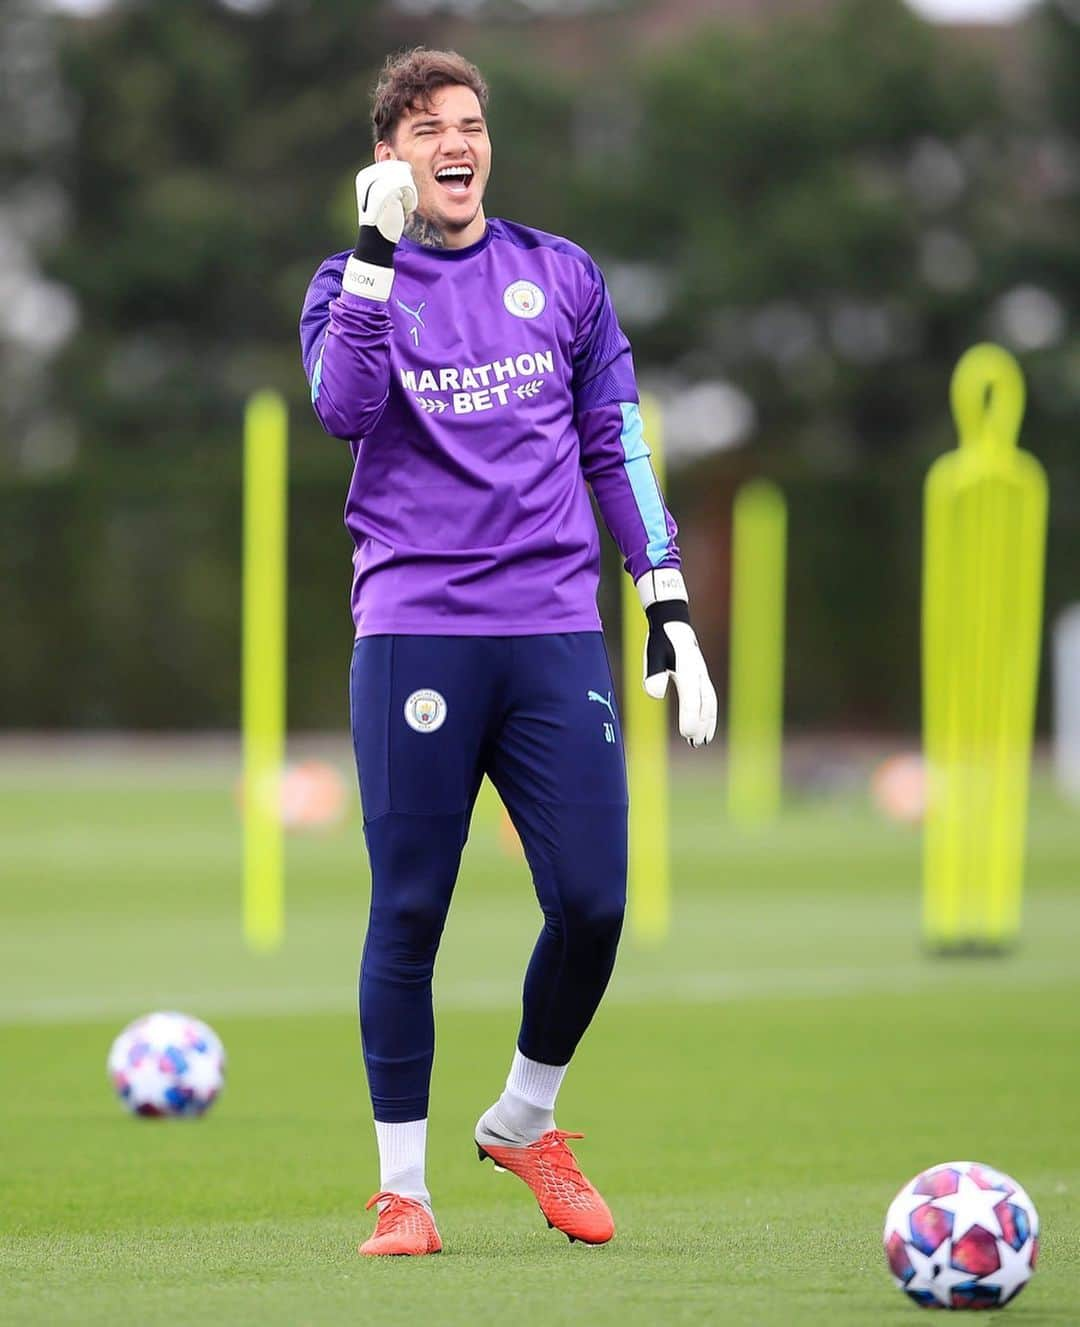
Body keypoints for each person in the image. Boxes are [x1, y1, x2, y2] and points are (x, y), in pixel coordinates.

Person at [299, 47, 717, 1258]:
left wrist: (667, 598)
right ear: (390, 158)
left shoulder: (561, 274)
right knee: (411, 910)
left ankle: (525, 1119)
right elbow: (344, 406)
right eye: (426, 128)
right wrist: (376, 259)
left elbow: (617, 440)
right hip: (416, 629)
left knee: (593, 901)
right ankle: (403, 1194)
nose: (454, 143)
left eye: (469, 123)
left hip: (551, 630)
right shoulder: (345, 282)